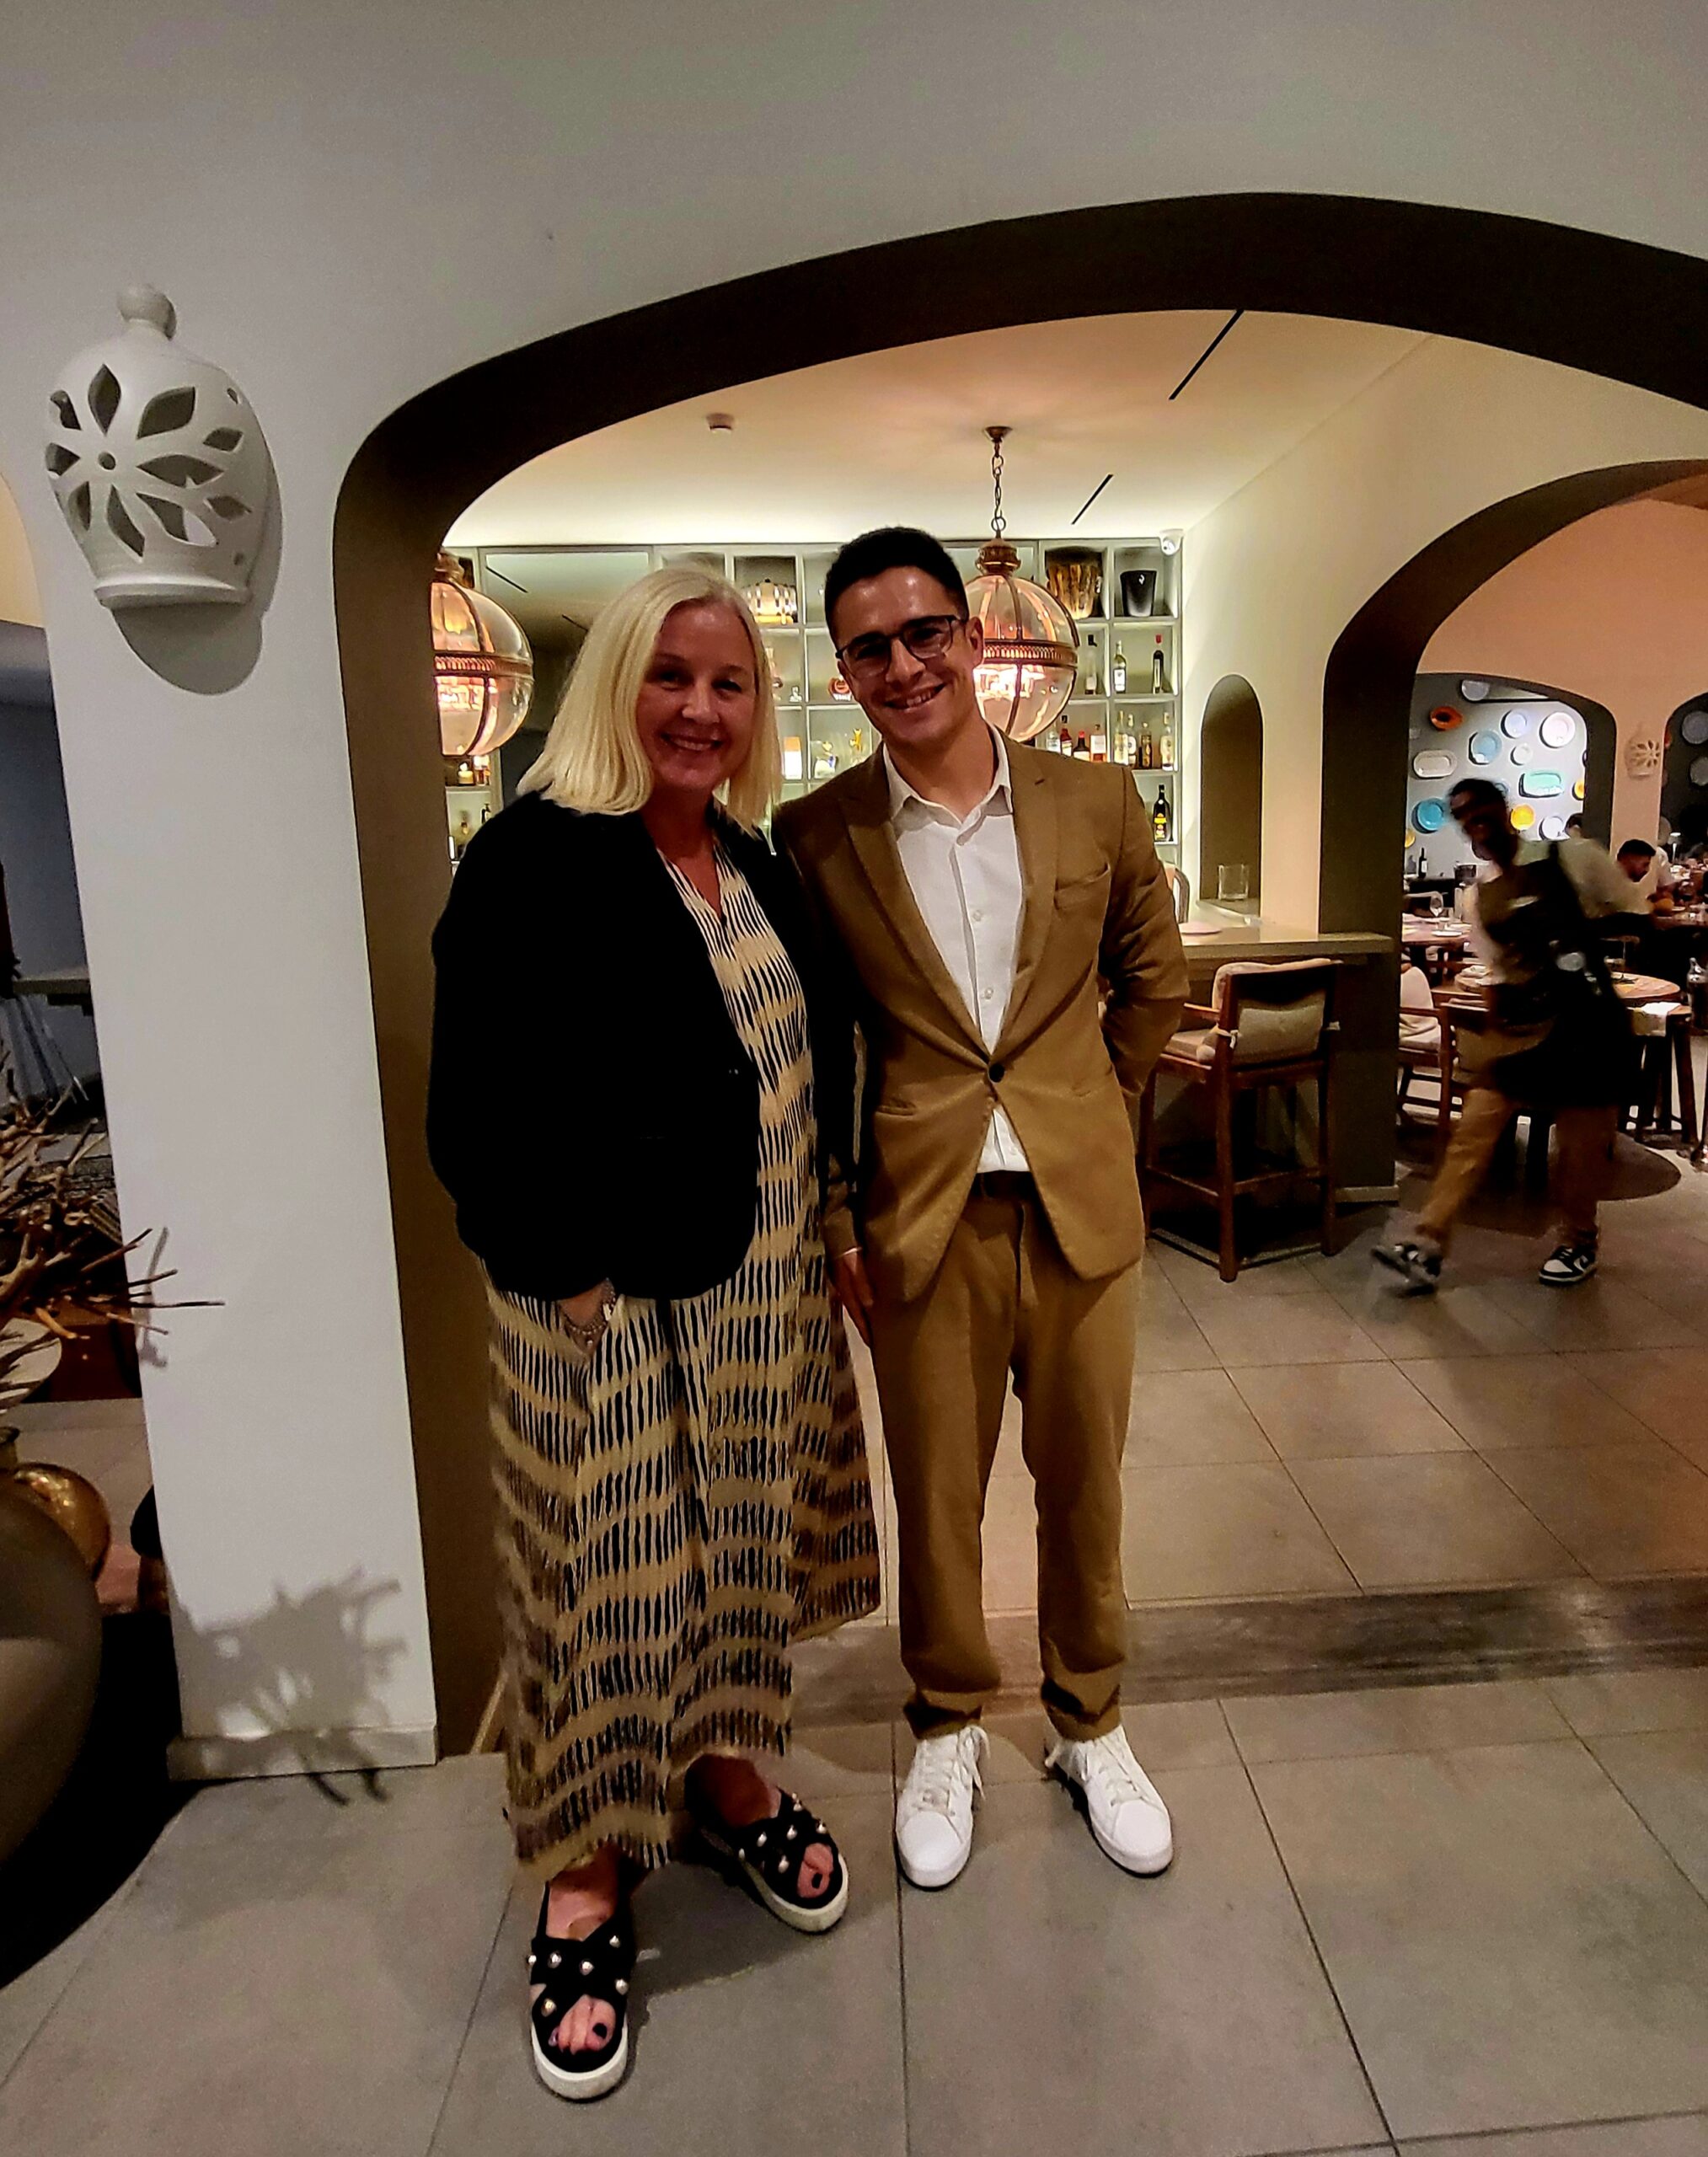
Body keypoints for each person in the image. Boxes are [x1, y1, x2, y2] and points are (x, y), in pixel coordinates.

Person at [428, 566, 879, 2101]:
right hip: (606, 1311)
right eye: (669, 675)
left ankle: (720, 1772)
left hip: (757, 1302)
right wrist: (567, 1280)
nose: (699, 708)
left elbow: (804, 1067)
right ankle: (579, 1867)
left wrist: (828, 1228)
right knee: (594, 1589)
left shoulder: (751, 864)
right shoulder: (532, 860)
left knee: (731, 1558)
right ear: (614, 683)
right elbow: (473, 1111)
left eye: (729, 683)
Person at [774, 527, 1188, 1890]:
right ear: (843, 673)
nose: (903, 666)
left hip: (1078, 1208)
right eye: (869, 649)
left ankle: (1089, 1720)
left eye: (923, 634)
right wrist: (837, 1221)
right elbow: (823, 1046)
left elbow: (1153, 976)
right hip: (921, 1213)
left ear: (967, 635)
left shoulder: (1093, 803)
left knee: (1084, 1485)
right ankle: (946, 1722)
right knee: (936, 1494)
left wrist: (1093, 1108)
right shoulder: (818, 835)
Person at [1375, 777, 1641, 1293]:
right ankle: (1427, 1244)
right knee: (1472, 1132)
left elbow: (1630, 912)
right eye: (1462, 814)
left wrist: (1581, 944)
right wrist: (1494, 1039)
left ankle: (1580, 1240)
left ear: (1502, 808)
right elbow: (1496, 973)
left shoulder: (1571, 857)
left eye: (1479, 808)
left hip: (1588, 1028)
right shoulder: (1479, 898)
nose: (1473, 820)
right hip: (1525, 1035)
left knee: (1578, 1152)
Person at [1616, 837, 1676, 915]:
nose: (1647, 870)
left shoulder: (1627, 885)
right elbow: (1631, 913)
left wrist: (1649, 900)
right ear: (1626, 859)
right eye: (1645, 865)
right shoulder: (1613, 884)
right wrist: (1656, 906)